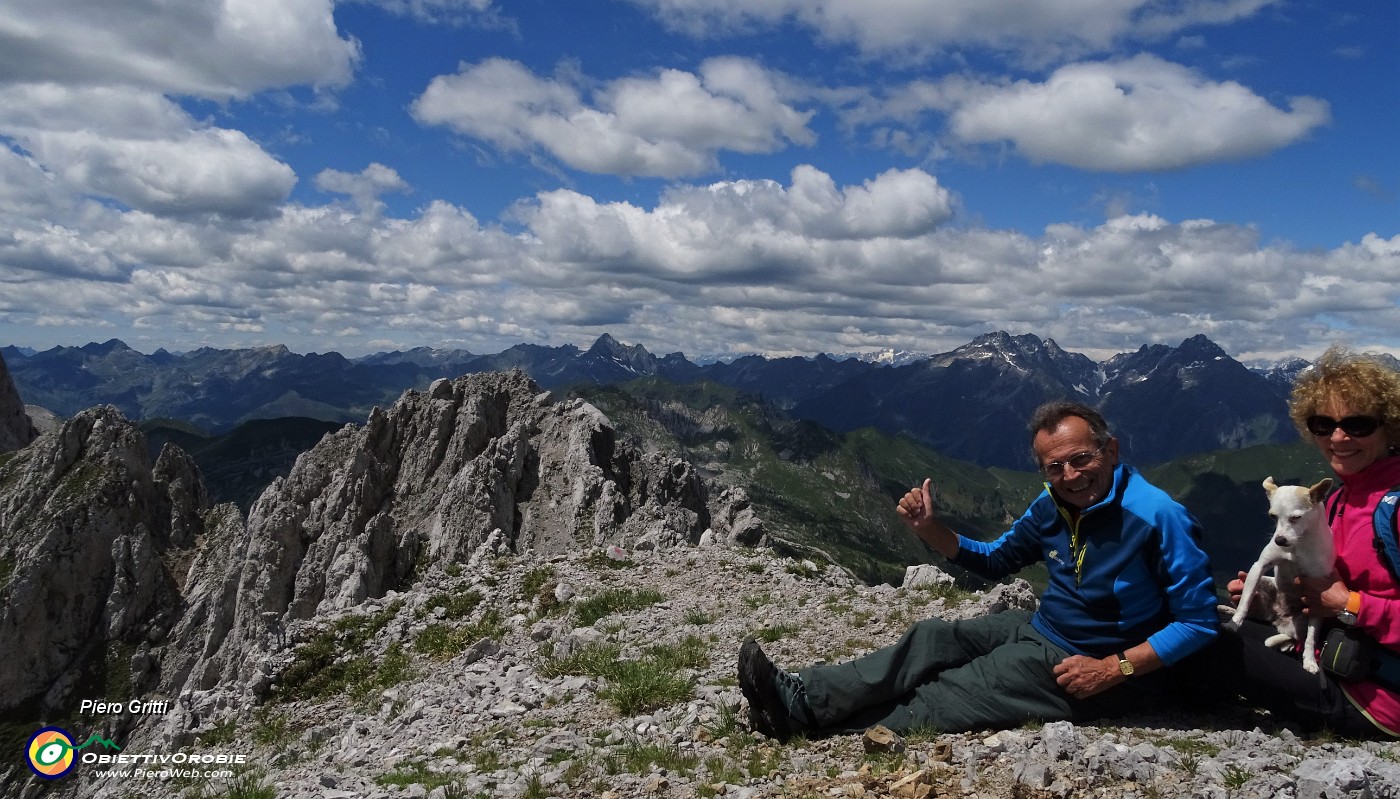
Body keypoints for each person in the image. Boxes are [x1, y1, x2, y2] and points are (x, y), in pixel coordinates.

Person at [738, 400, 1219, 738]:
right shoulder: (1051, 504)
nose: (1070, 476)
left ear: (1110, 451)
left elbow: (1198, 622)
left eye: (1081, 459)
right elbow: (996, 559)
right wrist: (930, 528)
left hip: (1094, 666)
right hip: (1041, 628)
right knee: (931, 639)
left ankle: (808, 721)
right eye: (1055, 467)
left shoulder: (1158, 516)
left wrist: (1114, 669)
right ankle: (804, 695)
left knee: (955, 691)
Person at [1191, 344, 1400, 737]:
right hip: (1326, 655)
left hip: (1378, 697)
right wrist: (1269, 601)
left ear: (1390, 426)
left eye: (1358, 424)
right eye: (1323, 424)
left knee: (1200, 642)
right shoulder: (1333, 500)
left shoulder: (1394, 505)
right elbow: (1319, 590)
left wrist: (1351, 605)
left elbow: (1341, 600)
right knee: (1195, 620)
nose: (1338, 437)